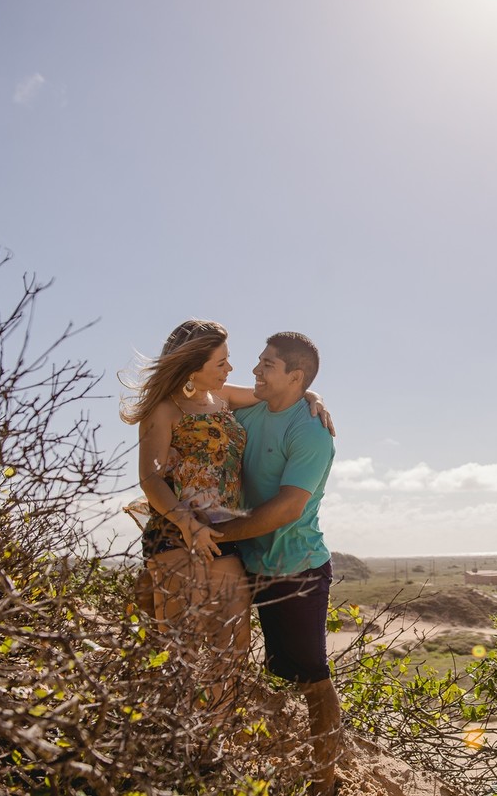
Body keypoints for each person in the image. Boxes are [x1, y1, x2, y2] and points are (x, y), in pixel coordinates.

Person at [120, 320, 332, 724]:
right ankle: (172, 739)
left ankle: (214, 738)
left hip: (225, 534)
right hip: (177, 534)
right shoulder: (163, 409)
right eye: (221, 362)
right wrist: (187, 524)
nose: (231, 368)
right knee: (180, 648)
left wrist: (315, 396)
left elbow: (284, 390)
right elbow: (149, 478)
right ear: (192, 366)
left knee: (232, 645)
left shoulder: (223, 398)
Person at [213, 332, 339, 795]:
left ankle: (323, 783)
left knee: (312, 681)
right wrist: (309, 391)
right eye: (258, 361)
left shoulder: (311, 432)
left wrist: (216, 534)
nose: (254, 370)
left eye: (267, 364)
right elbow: (205, 388)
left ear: (294, 375)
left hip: (296, 571)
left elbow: (287, 508)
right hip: (247, 562)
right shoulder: (251, 411)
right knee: (230, 661)